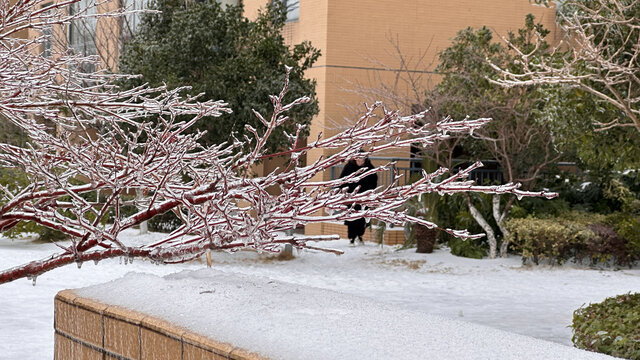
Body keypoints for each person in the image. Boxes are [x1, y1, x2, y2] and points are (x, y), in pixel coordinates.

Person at [339, 152, 378, 245]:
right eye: (358, 159)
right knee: (351, 218)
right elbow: (342, 181)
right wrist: (343, 193)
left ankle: (360, 236)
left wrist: (370, 193)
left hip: (364, 197)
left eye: (362, 159)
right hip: (351, 197)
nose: (360, 161)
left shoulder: (369, 168)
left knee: (362, 218)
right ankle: (351, 238)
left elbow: (374, 181)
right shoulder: (348, 167)